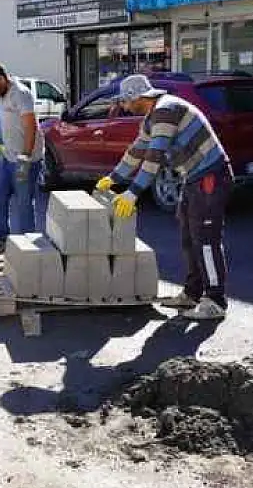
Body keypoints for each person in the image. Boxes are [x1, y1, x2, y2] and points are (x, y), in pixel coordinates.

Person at [95, 74, 234, 321]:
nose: (124, 107)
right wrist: (114, 178)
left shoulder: (167, 110)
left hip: (211, 176)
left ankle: (215, 300)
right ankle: (192, 294)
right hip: (193, 178)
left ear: (138, 97)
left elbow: (154, 156)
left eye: (126, 102)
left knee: (205, 240)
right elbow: (137, 150)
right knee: (189, 238)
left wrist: (133, 192)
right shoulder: (152, 118)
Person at [0, 61, 44, 257]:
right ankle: (1, 242)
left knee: (23, 204)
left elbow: (32, 128)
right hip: (7, 158)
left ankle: (27, 249)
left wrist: (25, 158)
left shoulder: (21, 94)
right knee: (0, 200)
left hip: (26, 159)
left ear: (2, 79)